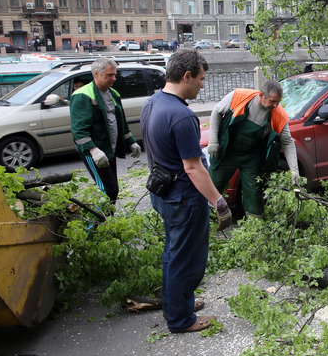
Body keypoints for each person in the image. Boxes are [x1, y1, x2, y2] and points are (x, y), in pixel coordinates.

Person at [141, 50, 232, 333]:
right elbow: (194, 168)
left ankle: (176, 305)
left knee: (173, 253)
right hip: (183, 198)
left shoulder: (152, 103)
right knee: (188, 260)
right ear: (187, 76)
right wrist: (218, 201)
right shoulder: (182, 116)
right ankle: (182, 320)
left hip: (163, 192)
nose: (202, 86)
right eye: (201, 80)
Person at [206, 80, 300, 219]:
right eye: (272, 101)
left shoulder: (278, 114)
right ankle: (204, 219)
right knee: (213, 185)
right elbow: (217, 112)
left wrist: (294, 170)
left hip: (251, 157)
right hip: (228, 151)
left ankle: (255, 227)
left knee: (253, 192)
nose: (275, 105)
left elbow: (287, 143)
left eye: (278, 102)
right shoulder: (239, 97)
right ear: (261, 95)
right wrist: (213, 141)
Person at [70, 57, 141, 202]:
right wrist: (93, 150)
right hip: (95, 152)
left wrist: (131, 142)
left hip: (109, 150)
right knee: (107, 190)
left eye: (114, 74)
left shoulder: (113, 94)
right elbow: (79, 131)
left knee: (112, 189)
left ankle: (108, 221)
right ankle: (97, 224)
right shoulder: (83, 95)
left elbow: (121, 123)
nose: (114, 78)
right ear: (96, 74)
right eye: (109, 75)